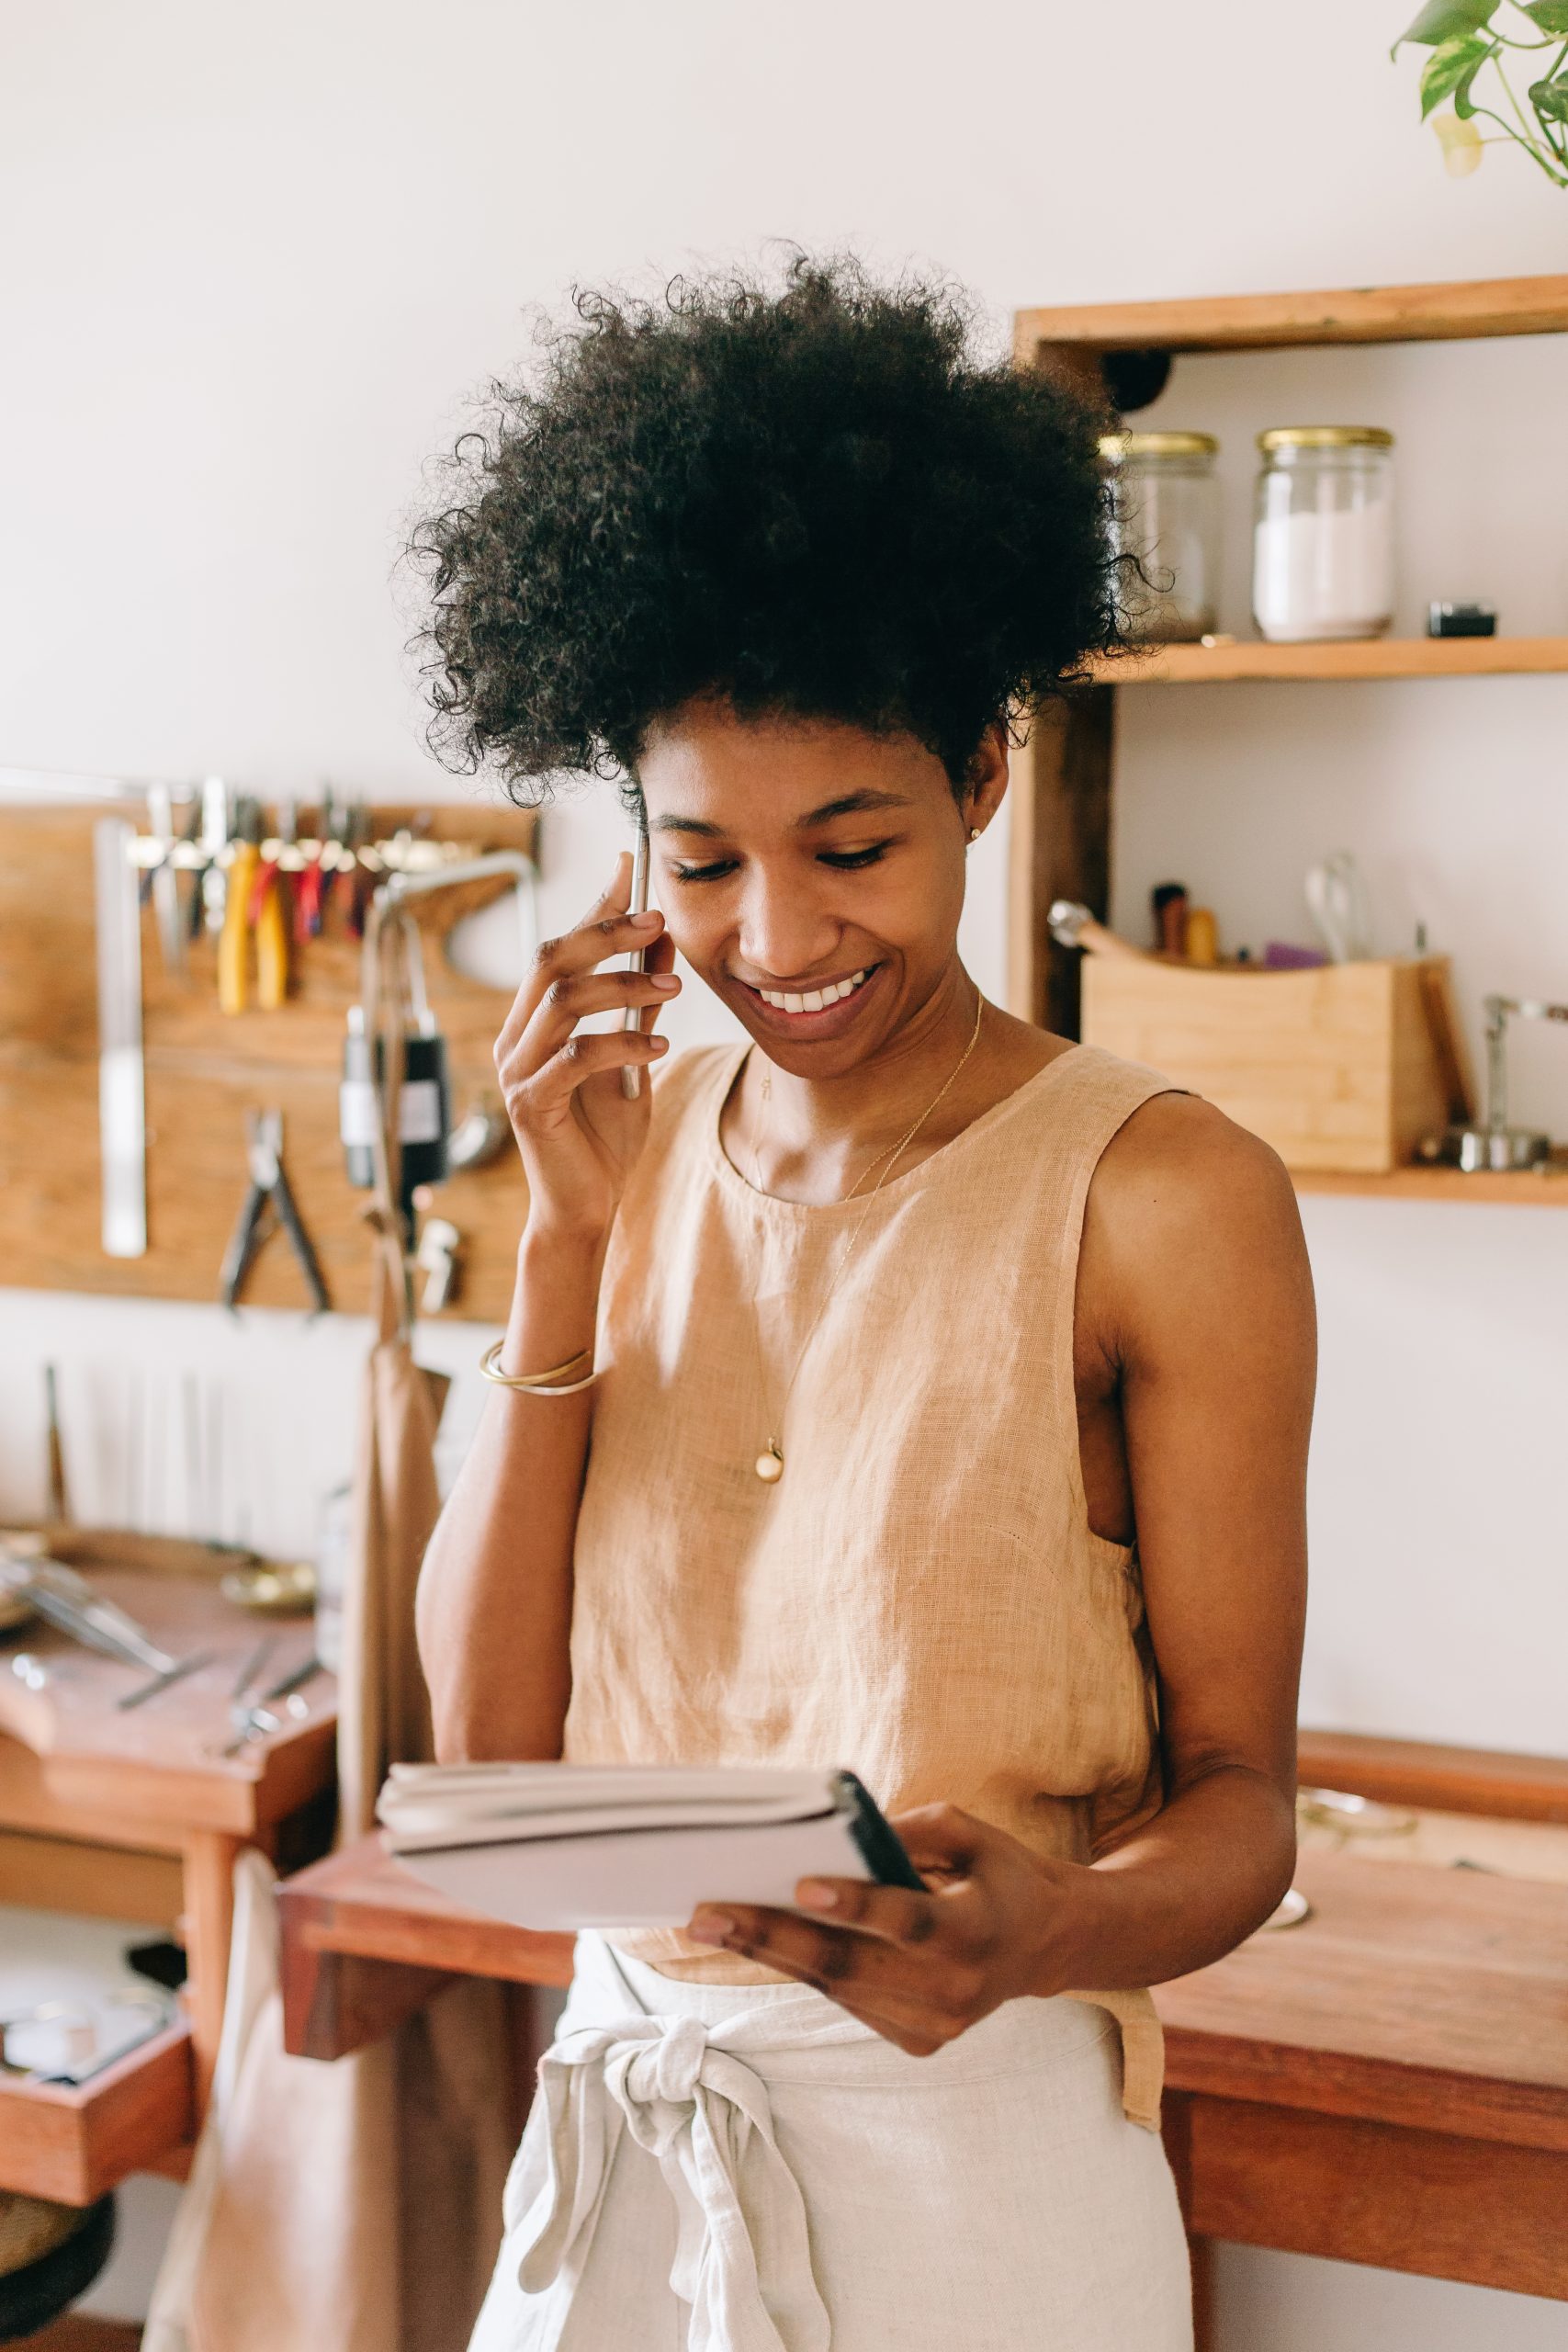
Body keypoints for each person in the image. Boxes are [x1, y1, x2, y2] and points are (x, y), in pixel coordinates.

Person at [412, 259, 1314, 2351]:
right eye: (700, 858)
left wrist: (1057, 1924)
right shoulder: (610, 1145)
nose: (777, 934)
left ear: (985, 770)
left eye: (854, 844)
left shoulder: (1162, 1194)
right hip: (625, 2122)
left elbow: (1243, 1794)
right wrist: (557, 1243)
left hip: (975, 2166)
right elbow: (494, 1750)